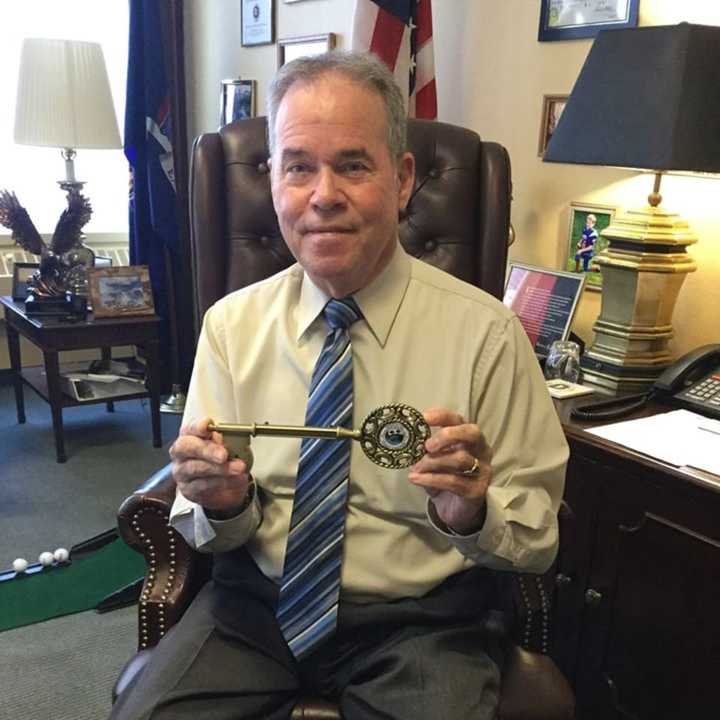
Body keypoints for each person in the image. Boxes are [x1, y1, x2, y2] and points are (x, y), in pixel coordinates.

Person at [110, 51, 568, 720]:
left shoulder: (489, 337)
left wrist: (469, 512)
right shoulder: (231, 328)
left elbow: (539, 537)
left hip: (420, 624)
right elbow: (205, 526)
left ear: (404, 178)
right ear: (274, 183)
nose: (323, 194)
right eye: (299, 166)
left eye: (353, 164)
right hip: (252, 608)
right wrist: (224, 503)